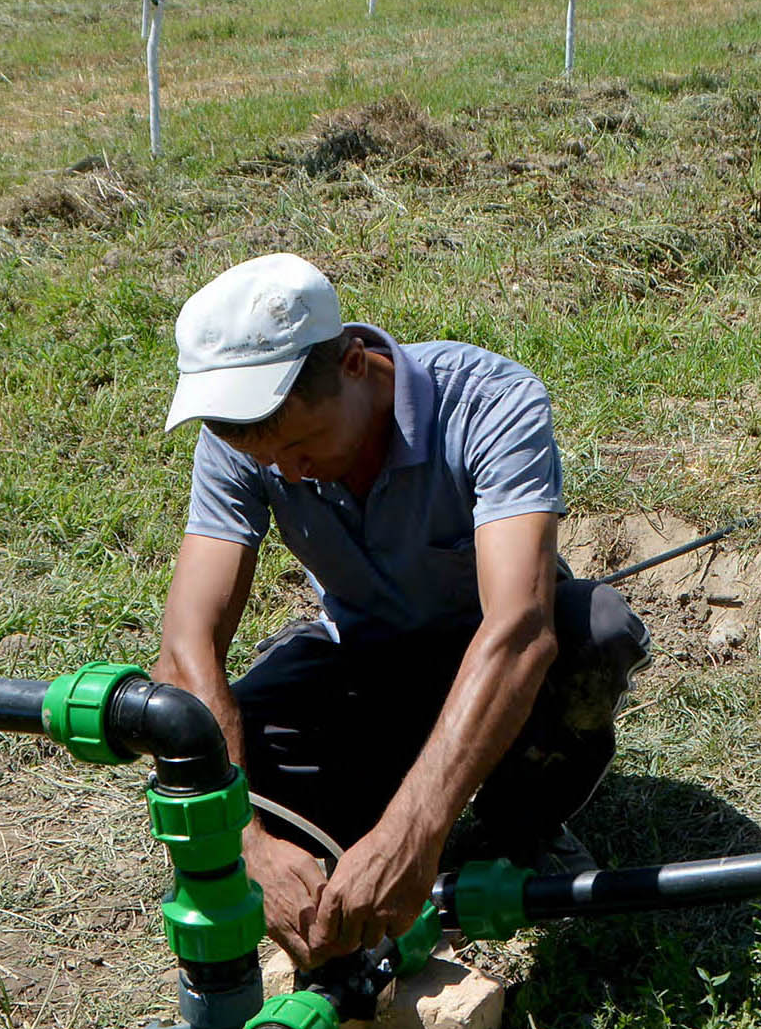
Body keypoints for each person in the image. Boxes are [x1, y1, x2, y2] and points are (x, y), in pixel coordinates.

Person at [154, 254, 650, 969]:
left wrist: (413, 831)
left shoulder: (490, 403)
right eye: (270, 457)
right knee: (212, 725)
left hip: (494, 664)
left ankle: (518, 828)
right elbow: (185, 645)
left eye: (302, 445)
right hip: (365, 659)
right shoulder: (249, 436)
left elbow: (516, 632)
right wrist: (243, 841)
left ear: (354, 364)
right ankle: (332, 853)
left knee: (593, 632)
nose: (288, 471)